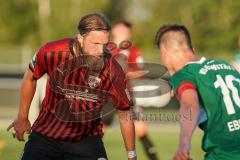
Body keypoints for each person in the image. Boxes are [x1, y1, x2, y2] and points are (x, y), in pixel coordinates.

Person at [7, 13, 136, 160]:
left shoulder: (113, 69)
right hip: (46, 137)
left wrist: (131, 154)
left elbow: (124, 111)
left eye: (105, 45)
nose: (101, 51)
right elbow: (30, 77)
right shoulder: (52, 52)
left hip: (87, 141)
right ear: (80, 38)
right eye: (95, 44)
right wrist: (22, 117)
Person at [155, 23, 240, 160]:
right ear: (191, 49)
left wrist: (184, 145)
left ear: (164, 54)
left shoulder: (184, 74)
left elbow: (190, 105)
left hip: (225, 154)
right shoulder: (227, 66)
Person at [110, 21, 159, 160]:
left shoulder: (134, 51)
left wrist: (123, 71)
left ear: (129, 33)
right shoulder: (105, 49)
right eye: (120, 29)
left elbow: (140, 72)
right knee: (96, 130)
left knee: (141, 130)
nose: (122, 32)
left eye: (125, 30)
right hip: (106, 95)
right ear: (114, 30)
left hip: (127, 95)